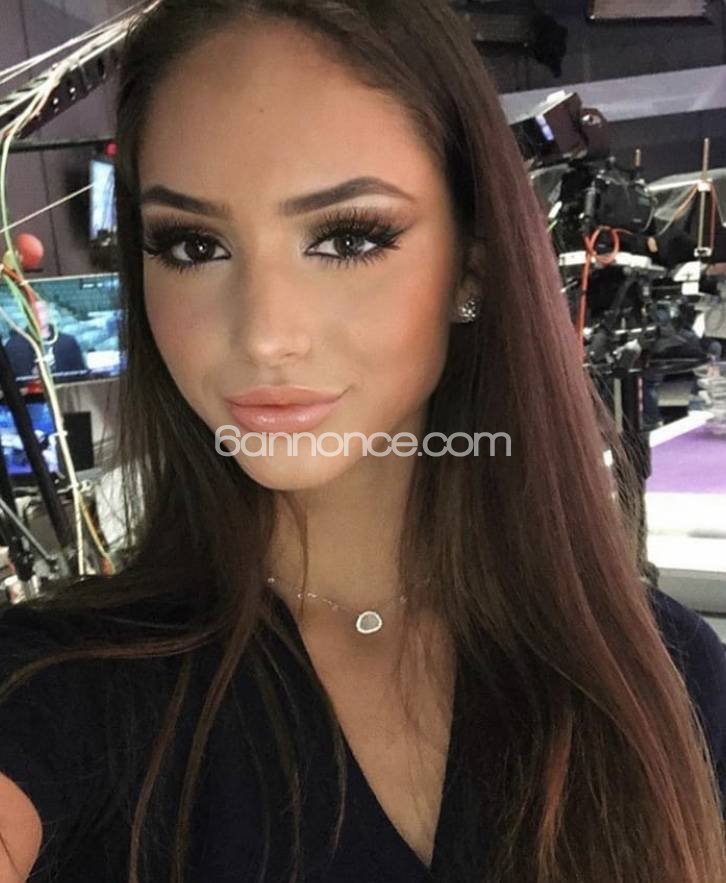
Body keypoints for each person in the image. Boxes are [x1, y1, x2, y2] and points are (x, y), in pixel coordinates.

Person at [0, 2, 725, 882]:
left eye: (346, 238)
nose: (265, 334)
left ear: (470, 266)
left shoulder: (662, 675)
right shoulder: (61, 686)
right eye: (193, 245)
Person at [4, 299, 87, 381]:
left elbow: (81, 377)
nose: (38, 315)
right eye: (34, 311)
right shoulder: (14, 346)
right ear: (27, 314)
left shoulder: (68, 343)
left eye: (41, 310)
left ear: (48, 312)